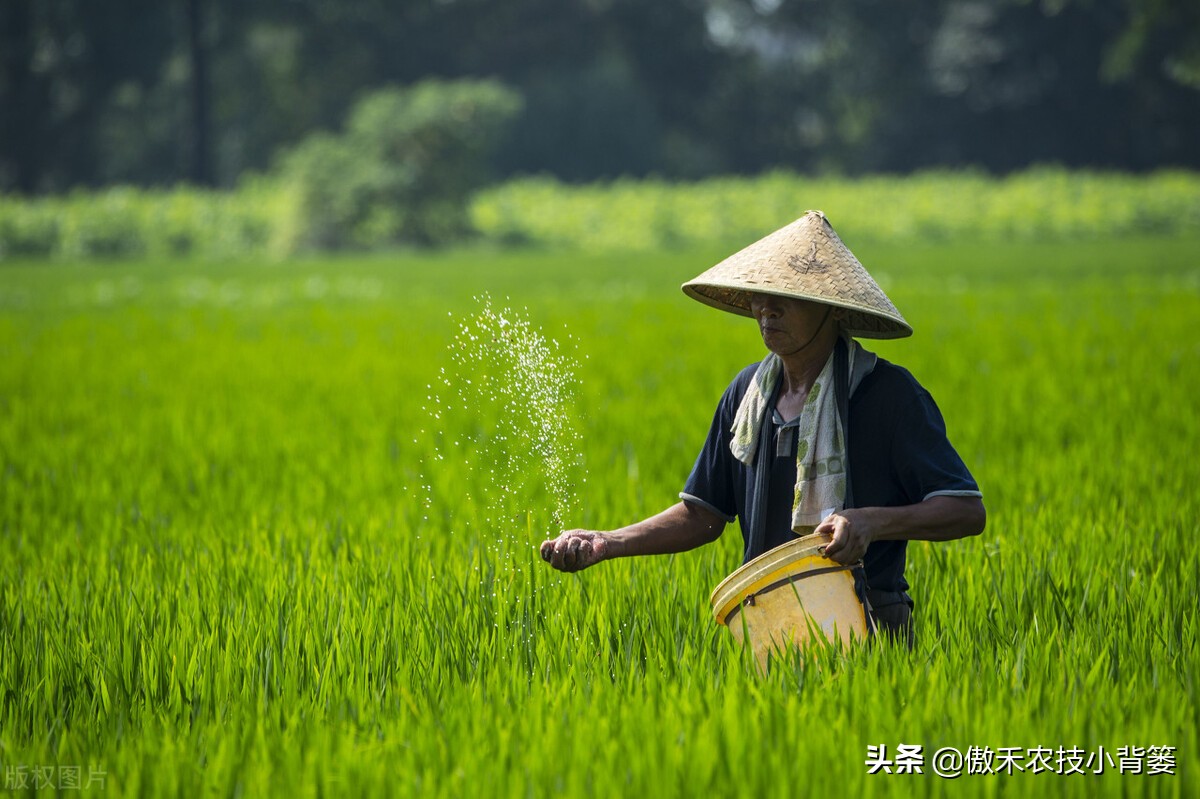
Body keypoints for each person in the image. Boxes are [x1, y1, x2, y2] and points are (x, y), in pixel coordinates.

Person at [540, 210, 985, 643]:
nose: (766, 309)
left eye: (787, 296)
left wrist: (871, 522)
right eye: (760, 294)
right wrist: (607, 541)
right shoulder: (747, 395)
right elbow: (704, 514)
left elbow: (965, 509)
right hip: (766, 628)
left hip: (869, 627)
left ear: (831, 308)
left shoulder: (887, 395)